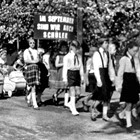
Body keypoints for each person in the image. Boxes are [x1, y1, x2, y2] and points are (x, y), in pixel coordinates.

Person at [116, 40, 140, 133]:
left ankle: (122, 115)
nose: (135, 52)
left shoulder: (136, 59)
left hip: (134, 81)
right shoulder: (124, 59)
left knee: (134, 102)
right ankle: (129, 124)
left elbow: (138, 71)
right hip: (127, 81)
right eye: (134, 50)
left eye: (137, 51)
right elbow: (120, 73)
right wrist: (119, 85)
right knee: (129, 103)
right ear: (129, 49)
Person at [91, 37, 112, 121]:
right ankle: (93, 108)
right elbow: (96, 68)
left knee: (107, 96)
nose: (107, 44)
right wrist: (99, 80)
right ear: (101, 44)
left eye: (107, 42)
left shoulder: (107, 53)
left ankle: (104, 114)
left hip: (106, 73)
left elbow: (109, 66)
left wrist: (111, 77)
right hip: (100, 73)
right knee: (101, 96)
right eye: (105, 43)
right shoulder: (96, 54)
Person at [62, 40, 84, 116]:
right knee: (72, 90)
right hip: (70, 73)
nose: (77, 49)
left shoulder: (79, 56)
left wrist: (82, 77)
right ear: (71, 47)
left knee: (78, 92)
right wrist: (64, 79)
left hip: (77, 73)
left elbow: (81, 67)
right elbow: (65, 68)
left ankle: (70, 103)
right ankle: (73, 109)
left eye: (78, 48)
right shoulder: (67, 57)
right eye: (76, 47)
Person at [23, 38, 40, 110]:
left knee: (34, 86)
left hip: (35, 69)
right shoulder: (26, 51)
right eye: (31, 43)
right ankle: (34, 104)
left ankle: (29, 98)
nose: (32, 44)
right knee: (32, 86)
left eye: (33, 43)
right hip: (29, 69)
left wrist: (35, 60)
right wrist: (34, 61)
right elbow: (26, 60)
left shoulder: (36, 51)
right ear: (28, 43)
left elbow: (38, 60)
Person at [52, 41, 69, 106]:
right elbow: (56, 65)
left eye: (65, 47)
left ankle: (66, 102)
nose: (64, 48)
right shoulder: (58, 56)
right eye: (63, 47)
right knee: (61, 87)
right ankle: (55, 95)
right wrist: (64, 64)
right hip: (61, 72)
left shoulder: (67, 55)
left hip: (67, 72)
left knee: (67, 88)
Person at [82, 46, 97, 112]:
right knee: (93, 92)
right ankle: (86, 100)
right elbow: (87, 70)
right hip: (91, 76)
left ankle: (91, 105)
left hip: (96, 76)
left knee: (96, 92)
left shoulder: (97, 59)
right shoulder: (90, 60)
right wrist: (86, 79)